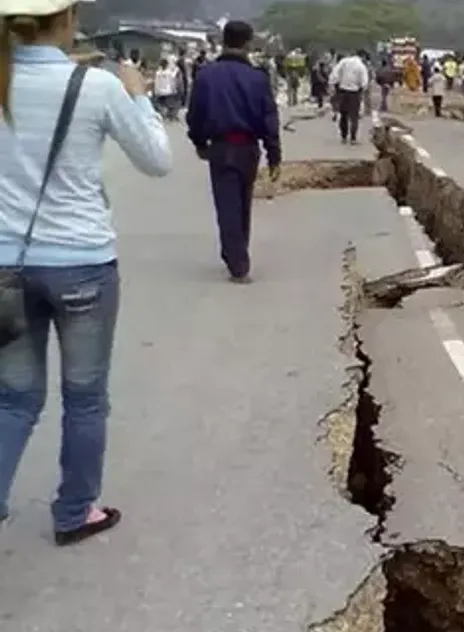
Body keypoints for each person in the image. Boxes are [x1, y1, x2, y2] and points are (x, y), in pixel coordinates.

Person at [0, 0, 171, 544]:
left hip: (6, 267)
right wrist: (140, 98)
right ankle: (74, 513)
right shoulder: (96, 87)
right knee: (85, 397)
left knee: (13, 399)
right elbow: (157, 160)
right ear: (68, 18)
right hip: (81, 264)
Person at [186, 19, 281, 283]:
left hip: (220, 146)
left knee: (226, 203)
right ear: (249, 43)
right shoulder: (258, 78)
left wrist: (199, 143)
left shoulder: (205, 75)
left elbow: (196, 114)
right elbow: (269, 118)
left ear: (223, 41)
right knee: (243, 202)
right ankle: (238, 257)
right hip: (248, 147)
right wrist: (274, 155)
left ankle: (236, 259)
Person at [328, 48, 368, 144]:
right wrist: (363, 89)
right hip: (354, 93)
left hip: (342, 91)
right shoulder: (361, 65)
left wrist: (333, 84)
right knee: (354, 116)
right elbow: (364, 81)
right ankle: (353, 138)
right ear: (363, 57)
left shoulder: (343, 61)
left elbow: (334, 74)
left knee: (343, 115)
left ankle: (344, 137)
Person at [152, 56, 180, 121]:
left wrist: (156, 91)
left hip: (160, 91)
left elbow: (156, 83)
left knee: (161, 103)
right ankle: (169, 114)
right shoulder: (169, 73)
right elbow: (172, 81)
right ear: (167, 65)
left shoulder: (158, 73)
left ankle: (164, 113)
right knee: (171, 103)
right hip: (168, 92)